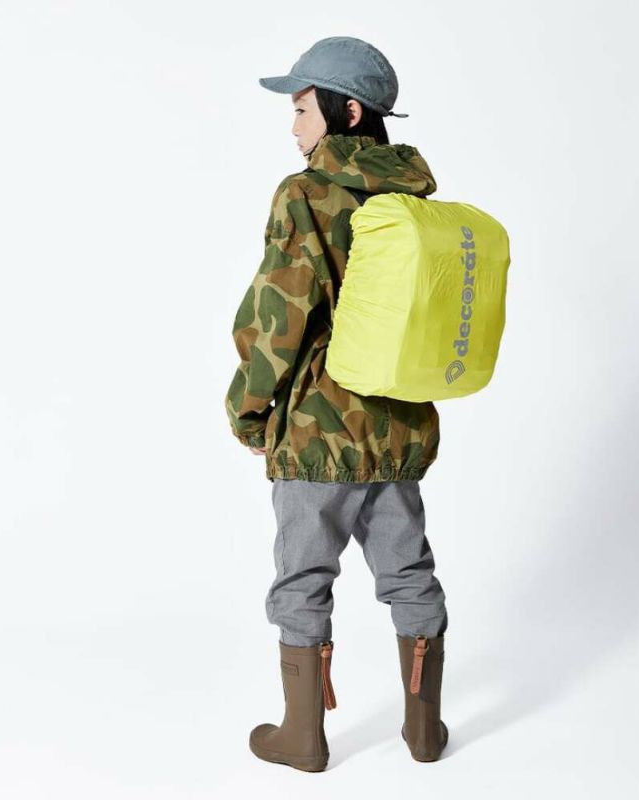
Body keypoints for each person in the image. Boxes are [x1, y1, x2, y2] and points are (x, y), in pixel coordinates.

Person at [224, 36, 449, 771]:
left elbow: (278, 316)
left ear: (347, 111)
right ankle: (425, 732)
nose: (293, 128)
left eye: (301, 109)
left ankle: (303, 737)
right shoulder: (413, 199)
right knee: (409, 572)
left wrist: (249, 409)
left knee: (303, 577)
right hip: (398, 425)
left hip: (319, 432)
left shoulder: (305, 195)